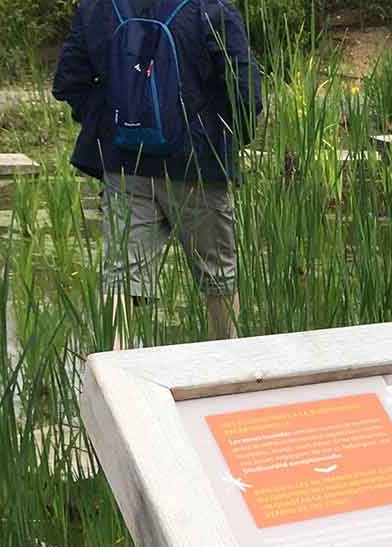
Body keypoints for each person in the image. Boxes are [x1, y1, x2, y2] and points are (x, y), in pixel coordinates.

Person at [53, 0, 262, 344]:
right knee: (219, 280)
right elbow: (246, 92)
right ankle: (226, 380)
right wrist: (223, 143)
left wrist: (112, 127)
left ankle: (114, 390)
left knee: (122, 282)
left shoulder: (97, 8)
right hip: (199, 167)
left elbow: (68, 82)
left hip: (126, 164)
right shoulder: (209, 7)